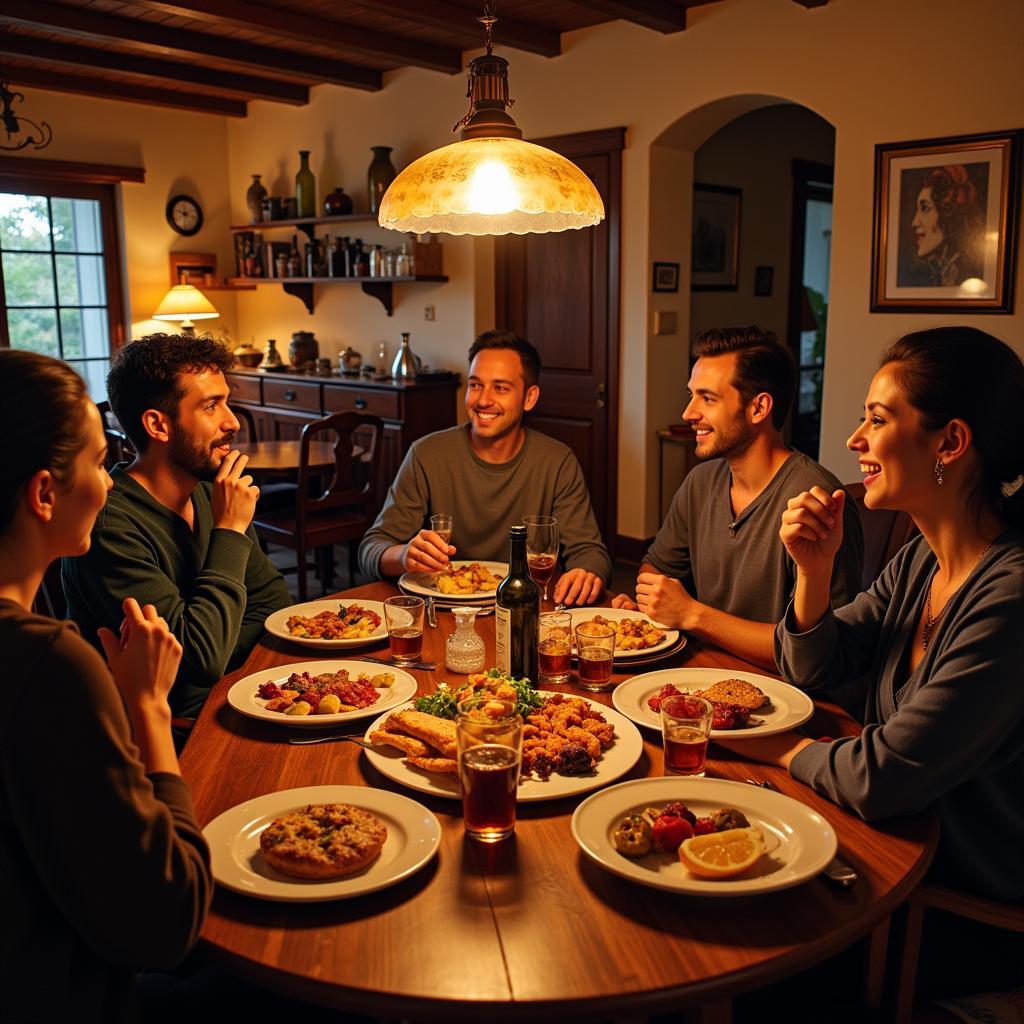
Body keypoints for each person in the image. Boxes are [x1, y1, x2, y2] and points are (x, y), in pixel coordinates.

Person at [722, 326, 1024, 908]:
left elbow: (882, 777)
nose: (854, 438)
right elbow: (818, 666)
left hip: (951, 898)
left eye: (879, 420)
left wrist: (773, 748)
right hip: (880, 850)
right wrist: (812, 572)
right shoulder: (921, 561)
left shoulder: (1008, 598)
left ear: (950, 442)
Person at [0, 350, 211, 1022]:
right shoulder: (48, 662)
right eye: (98, 463)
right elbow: (167, 921)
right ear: (42, 493)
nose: (108, 483)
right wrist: (146, 706)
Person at [63, 333, 291, 720]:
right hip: (167, 732)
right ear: (158, 425)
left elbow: (273, 607)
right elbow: (201, 658)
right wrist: (231, 530)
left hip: (241, 695)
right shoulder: (108, 526)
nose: (232, 421)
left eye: (227, 402)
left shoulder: (210, 492)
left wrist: (219, 645)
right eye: (210, 406)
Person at [613, 326, 863, 670]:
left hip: (792, 698)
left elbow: (821, 654)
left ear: (759, 407)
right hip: (704, 668)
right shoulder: (699, 482)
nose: (688, 413)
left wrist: (692, 615)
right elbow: (657, 568)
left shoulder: (814, 503)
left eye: (708, 398)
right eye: (691, 395)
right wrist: (651, 601)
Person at [359, 330, 612, 606]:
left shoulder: (558, 461)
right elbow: (372, 549)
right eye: (475, 385)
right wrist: (405, 555)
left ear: (529, 397)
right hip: (445, 611)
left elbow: (590, 552)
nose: (482, 401)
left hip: (524, 610)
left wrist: (586, 573)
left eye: (500, 388)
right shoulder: (426, 454)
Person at [909, 164, 984, 287]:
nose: (915, 222)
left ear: (949, 214)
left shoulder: (968, 276)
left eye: (925, 208)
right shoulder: (931, 274)